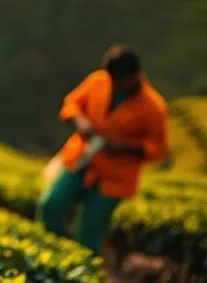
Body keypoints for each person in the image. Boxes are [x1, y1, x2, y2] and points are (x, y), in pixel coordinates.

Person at [37, 45, 169, 254]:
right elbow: (71, 104)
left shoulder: (153, 108)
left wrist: (125, 146)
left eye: (120, 81)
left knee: (89, 231)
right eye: (112, 80)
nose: (115, 85)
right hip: (82, 159)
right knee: (51, 206)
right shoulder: (99, 81)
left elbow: (158, 149)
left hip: (115, 176)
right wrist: (79, 122)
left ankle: (82, 270)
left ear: (136, 75)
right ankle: (57, 256)